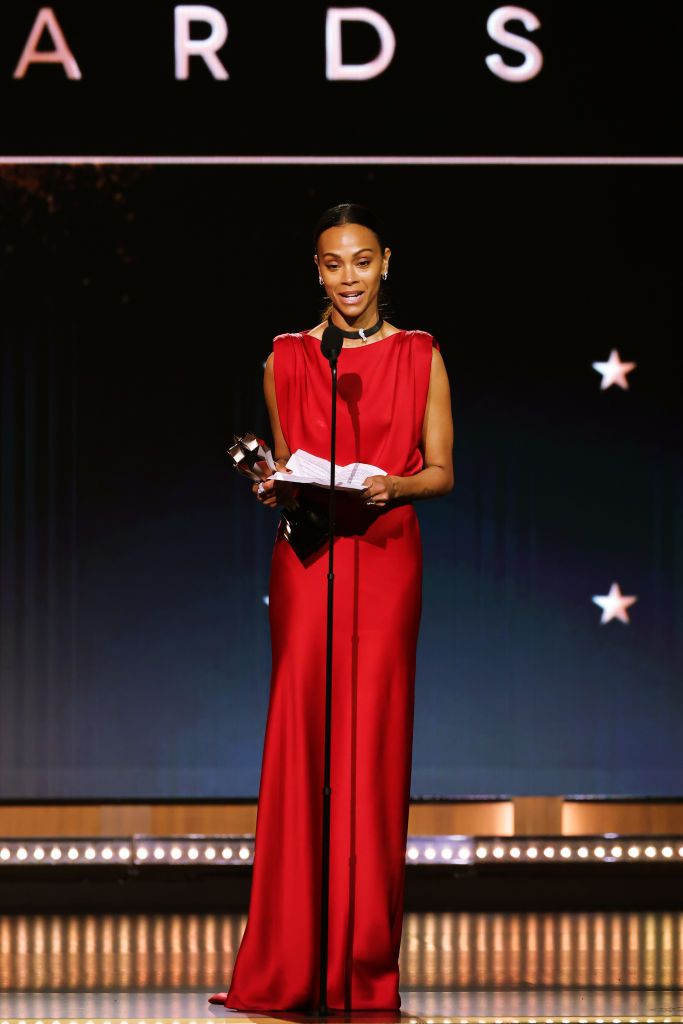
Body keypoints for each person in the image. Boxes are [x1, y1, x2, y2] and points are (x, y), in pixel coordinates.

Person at [209, 202, 454, 1012]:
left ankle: (361, 968)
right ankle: (291, 963)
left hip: (385, 553)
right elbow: (286, 465)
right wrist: (269, 483)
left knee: (370, 747)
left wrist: (395, 482)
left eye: (360, 261)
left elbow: (441, 471)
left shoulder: (420, 354)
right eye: (330, 264)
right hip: (310, 556)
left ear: (387, 262)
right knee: (301, 741)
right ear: (316, 271)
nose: (347, 278)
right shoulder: (285, 357)